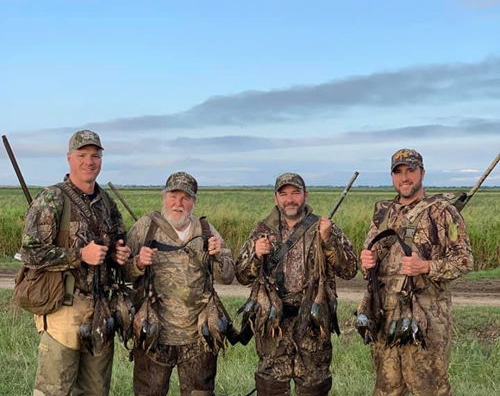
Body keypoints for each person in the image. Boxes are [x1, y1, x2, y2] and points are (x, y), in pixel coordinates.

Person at [21, 129, 131, 396]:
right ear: (69, 158)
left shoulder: (106, 203)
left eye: (95, 155)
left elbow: (118, 241)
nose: (89, 162)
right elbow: (30, 253)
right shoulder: (53, 198)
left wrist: (118, 255)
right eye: (82, 155)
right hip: (63, 309)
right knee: (54, 390)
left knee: (96, 390)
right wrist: (79, 255)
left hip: (100, 310)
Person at [359, 149, 474, 396]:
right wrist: (367, 260)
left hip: (427, 316)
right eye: (398, 172)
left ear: (422, 173)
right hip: (385, 314)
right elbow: (370, 254)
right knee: (387, 389)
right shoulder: (383, 212)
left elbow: (465, 260)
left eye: (410, 170)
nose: (405, 178)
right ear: (392, 176)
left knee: (429, 388)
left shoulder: (442, 211)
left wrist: (426, 267)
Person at [236, 173, 358, 396]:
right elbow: (242, 276)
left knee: (314, 386)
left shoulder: (324, 227)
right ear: (276, 198)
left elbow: (349, 270)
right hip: (274, 326)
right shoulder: (262, 230)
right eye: (283, 194)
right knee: (270, 387)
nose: (289, 199)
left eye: (295, 193)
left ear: (305, 195)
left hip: (312, 324)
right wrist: (256, 255)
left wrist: (328, 241)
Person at [125, 171, 235, 396]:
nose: (178, 203)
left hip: (199, 337)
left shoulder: (205, 230)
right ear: (164, 196)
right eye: (173, 196)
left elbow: (227, 276)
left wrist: (216, 256)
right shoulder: (145, 227)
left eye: (185, 198)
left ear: (194, 201)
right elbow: (121, 273)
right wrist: (137, 263)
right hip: (152, 334)